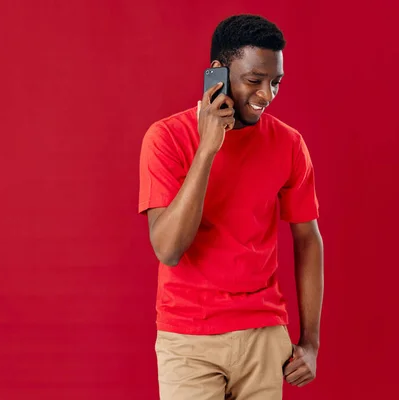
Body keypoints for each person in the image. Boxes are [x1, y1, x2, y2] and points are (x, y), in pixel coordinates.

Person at [138, 14, 324, 400]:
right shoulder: (166, 138)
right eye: (254, 80)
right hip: (189, 340)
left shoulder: (289, 144)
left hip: (264, 338)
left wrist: (310, 342)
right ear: (217, 74)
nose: (266, 95)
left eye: (275, 82)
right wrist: (207, 149)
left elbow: (307, 239)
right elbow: (168, 249)